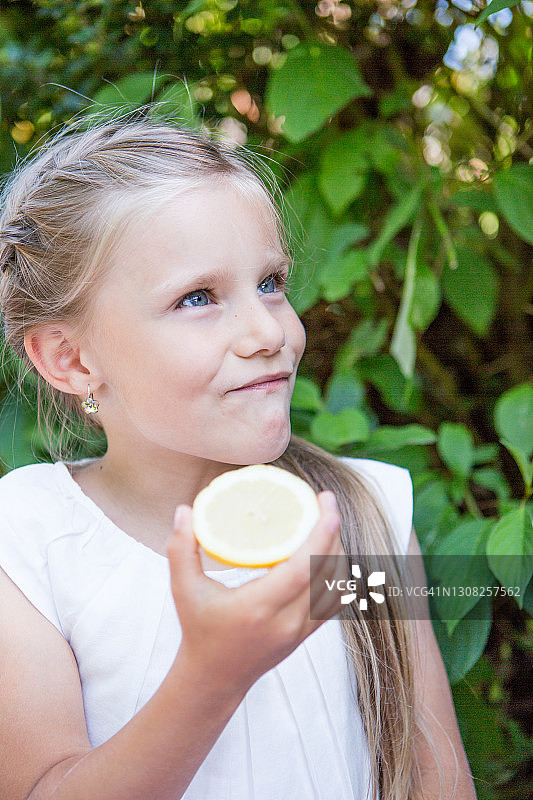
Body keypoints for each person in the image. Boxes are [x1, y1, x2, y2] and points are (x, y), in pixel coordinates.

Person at [0, 113, 476, 800]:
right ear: (71, 359)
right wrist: (211, 677)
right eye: (198, 298)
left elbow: (436, 783)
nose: (267, 332)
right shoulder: (28, 543)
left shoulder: (358, 520)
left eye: (271, 283)